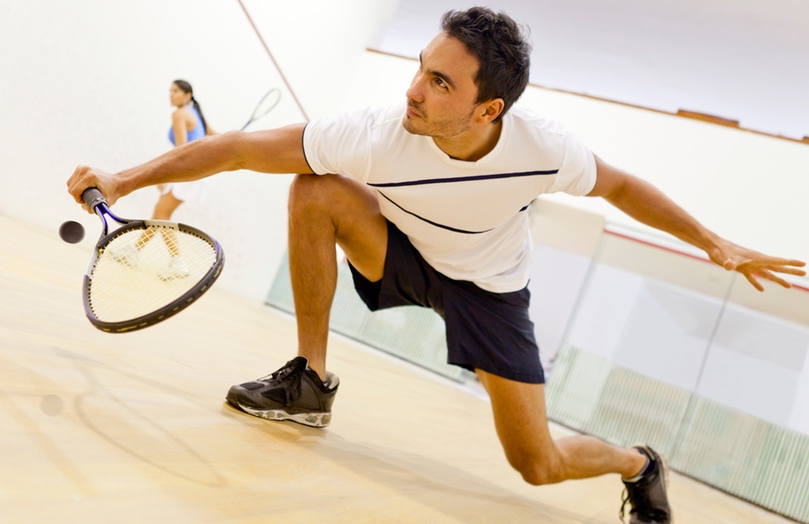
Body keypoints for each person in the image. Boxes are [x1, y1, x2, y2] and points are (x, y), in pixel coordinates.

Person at [68, 8, 806, 523]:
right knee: (314, 189)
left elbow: (617, 186)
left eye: (441, 84)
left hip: (490, 294)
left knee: (537, 464)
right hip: (407, 253)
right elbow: (233, 147)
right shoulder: (374, 134)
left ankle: (639, 464)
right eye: (422, 69)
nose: (414, 90)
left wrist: (714, 241)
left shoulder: (543, 149)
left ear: (489, 111)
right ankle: (309, 380)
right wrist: (124, 179)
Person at [111, 79, 217, 276]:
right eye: (170, 91)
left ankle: (177, 262)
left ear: (187, 95)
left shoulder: (179, 114)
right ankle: (134, 251)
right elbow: (217, 139)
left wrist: (162, 176)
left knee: (162, 216)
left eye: (176, 91)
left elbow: (181, 151)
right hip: (197, 173)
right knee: (159, 213)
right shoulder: (197, 114)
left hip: (187, 172)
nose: (172, 95)